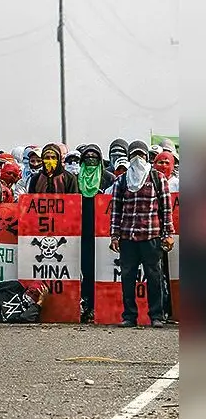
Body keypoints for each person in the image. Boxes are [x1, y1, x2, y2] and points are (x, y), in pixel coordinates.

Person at [110, 140, 174, 328]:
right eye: (134, 155)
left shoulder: (157, 178)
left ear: (147, 157)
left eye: (141, 155)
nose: (138, 158)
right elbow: (116, 210)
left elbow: (166, 209)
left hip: (151, 236)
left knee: (154, 277)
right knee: (127, 278)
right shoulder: (122, 180)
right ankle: (129, 316)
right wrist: (114, 235)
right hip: (128, 236)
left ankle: (156, 316)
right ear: (129, 157)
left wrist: (168, 234)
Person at [75, 143, 117, 322]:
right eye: (87, 157)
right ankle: (87, 304)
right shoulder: (76, 178)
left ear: (100, 159)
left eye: (94, 156)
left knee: (102, 269)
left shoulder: (108, 178)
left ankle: (100, 306)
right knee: (85, 269)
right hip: (81, 231)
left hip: (102, 232)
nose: (90, 159)